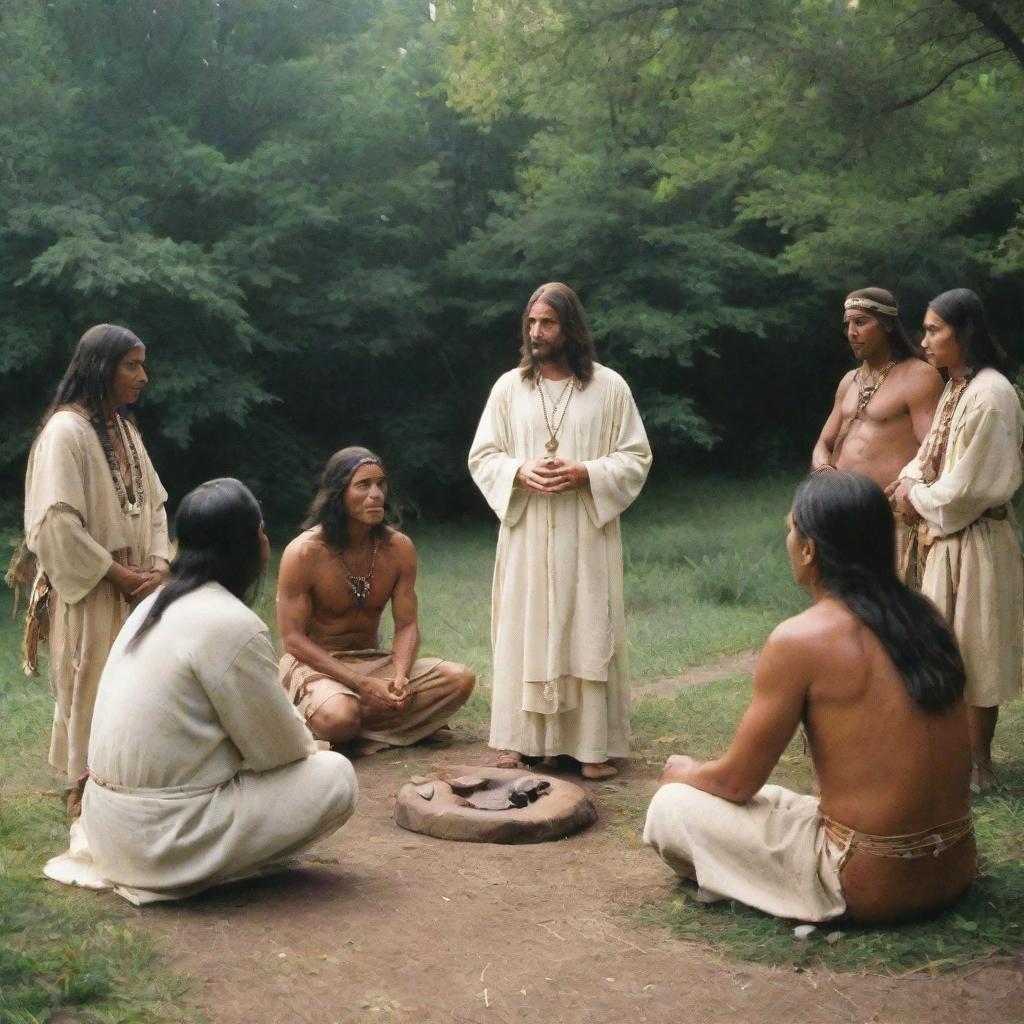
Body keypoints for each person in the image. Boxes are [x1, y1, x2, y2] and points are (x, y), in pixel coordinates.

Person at [645, 472, 975, 925]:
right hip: (953, 867)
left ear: (809, 548)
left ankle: (766, 882)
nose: (788, 540)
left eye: (791, 529)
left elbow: (736, 783)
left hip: (867, 882)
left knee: (672, 805)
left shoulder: (801, 639)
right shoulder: (928, 618)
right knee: (779, 800)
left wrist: (684, 773)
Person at [43, 478, 357, 905]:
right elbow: (280, 752)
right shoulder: (231, 623)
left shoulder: (150, 607)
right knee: (336, 776)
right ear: (248, 547)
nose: (266, 541)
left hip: (109, 828)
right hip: (162, 843)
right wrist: (311, 744)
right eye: (261, 531)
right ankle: (206, 871)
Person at [468, 282, 652, 780]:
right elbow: (483, 456)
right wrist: (518, 472)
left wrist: (587, 473)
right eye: (531, 322)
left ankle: (589, 746)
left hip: (584, 533)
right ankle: (525, 743)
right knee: (526, 627)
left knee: (587, 625)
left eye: (547, 322)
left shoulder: (609, 388)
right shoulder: (509, 388)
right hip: (528, 531)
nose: (536, 332)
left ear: (570, 327)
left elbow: (636, 457)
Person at [23, 324, 170, 809]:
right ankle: (88, 796)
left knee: (139, 689)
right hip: (93, 593)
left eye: (142, 364)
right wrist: (118, 574)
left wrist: (159, 565)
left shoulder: (125, 431)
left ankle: (132, 788)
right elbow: (55, 525)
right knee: (92, 687)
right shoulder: (67, 431)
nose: (143, 376)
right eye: (132, 365)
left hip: (138, 592)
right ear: (101, 368)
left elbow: (154, 506)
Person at [890, 288, 1023, 792]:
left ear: (962, 332)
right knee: (942, 648)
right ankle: (946, 754)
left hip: (975, 538)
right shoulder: (958, 386)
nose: (923, 340)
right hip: (944, 537)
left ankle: (979, 765)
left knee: (977, 647)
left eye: (932, 330)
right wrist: (908, 481)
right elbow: (927, 456)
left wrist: (913, 497)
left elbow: (967, 488)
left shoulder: (991, 394)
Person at [277, 447, 475, 750]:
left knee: (459, 679)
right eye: (363, 485)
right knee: (339, 717)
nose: (376, 494)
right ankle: (373, 724)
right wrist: (363, 686)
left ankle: (344, 730)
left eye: (380, 484)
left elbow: (407, 625)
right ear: (338, 493)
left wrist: (400, 678)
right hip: (316, 665)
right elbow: (292, 640)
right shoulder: (304, 553)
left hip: (374, 663)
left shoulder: (399, 549)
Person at [811, 287, 943, 585]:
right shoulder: (849, 381)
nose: (851, 332)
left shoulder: (918, 376)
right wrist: (823, 471)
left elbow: (934, 448)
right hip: (842, 513)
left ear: (886, 324)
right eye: (847, 324)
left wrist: (911, 488)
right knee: (845, 605)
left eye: (860, 322)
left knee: (890, 609)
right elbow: (824, 443)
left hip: (889, 518)